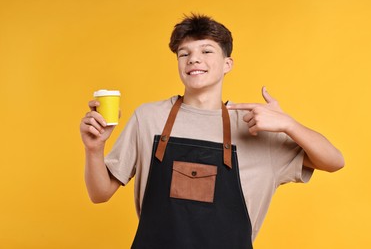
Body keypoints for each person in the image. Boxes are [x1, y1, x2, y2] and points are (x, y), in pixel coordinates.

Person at [80, 14, 344, 248]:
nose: (194, 58)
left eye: (206, 51)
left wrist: (288, 124)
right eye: (184, 53)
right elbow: (100, 194)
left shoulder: (254, 125)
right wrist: (94, 148)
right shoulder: (148, 118)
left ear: (227, 64)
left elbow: (334, 162)